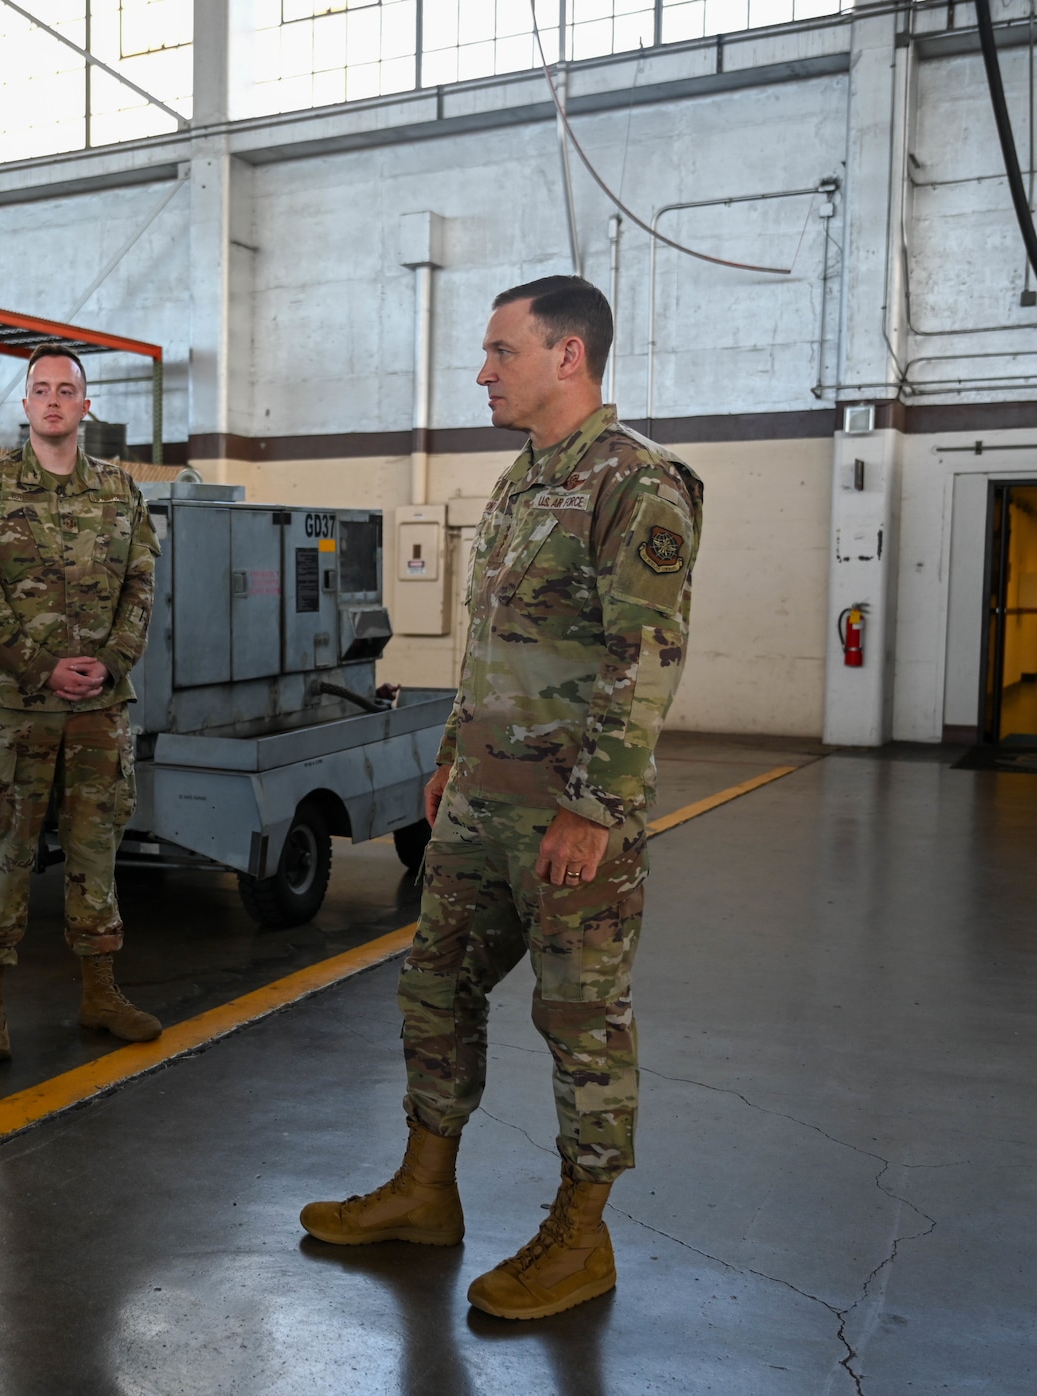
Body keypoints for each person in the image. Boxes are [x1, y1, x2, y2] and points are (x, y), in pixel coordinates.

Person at [299, 276, 704, 1323]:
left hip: (568, 819)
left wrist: (595, 808)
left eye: (498, 351)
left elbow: (642, 658)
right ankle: (423, 1190)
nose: (482, 371)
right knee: (433, 989)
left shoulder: (635, 484)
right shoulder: (524, 481)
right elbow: (492, 647)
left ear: (565, 355)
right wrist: (448, 752)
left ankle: (582, 1235)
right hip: (479, 803)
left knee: (579, 1023)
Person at [0, 345, 162, 1061]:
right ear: (26, 404)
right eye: (41, 390)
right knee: (2, 853)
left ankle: (100, 991)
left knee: (97, 851)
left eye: (67, 390)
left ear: (86, 405)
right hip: (17, 709)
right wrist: (40, 667)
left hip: (100, 707)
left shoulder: (122, 493)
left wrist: (111, 662)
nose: (54, 401)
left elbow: (141, 586)